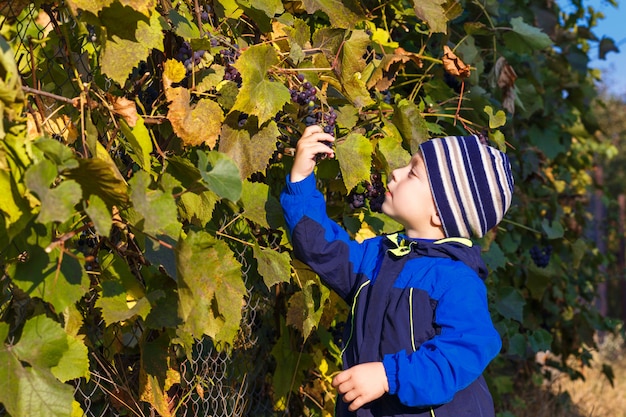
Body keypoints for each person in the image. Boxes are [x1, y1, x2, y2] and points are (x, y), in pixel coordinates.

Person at [280, 125, 514, 417]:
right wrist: (300, 181)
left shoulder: (456, 280)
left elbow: (463, 352)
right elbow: (322, 248)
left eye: (413, 172)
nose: (396, 172)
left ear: (442, 212)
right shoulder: (378, 256)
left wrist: (388, 376)